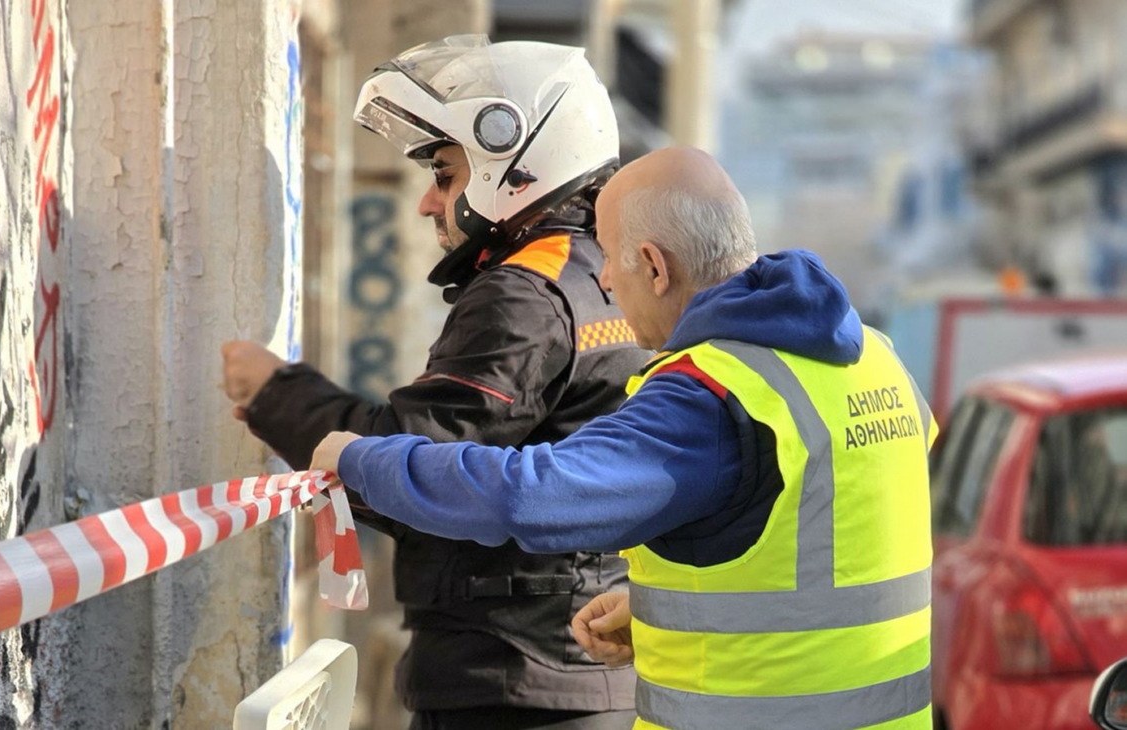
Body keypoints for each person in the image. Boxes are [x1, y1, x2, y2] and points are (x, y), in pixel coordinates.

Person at [312, 147, 939, 730]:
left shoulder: (709, 398)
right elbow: (830, 537)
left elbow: (532, 497)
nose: (605, 279)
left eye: (610, 255)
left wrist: (365, 457)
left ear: (656, 267)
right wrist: (666, 615)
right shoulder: (871, 358)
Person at [222, 35, 647, 730]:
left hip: (510, 680)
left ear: (516, 167)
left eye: (445, 176)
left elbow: (415, 466)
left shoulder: (525, 297)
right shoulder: (605, 275)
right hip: (581, 674)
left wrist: (275, 395)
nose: (427, 204)